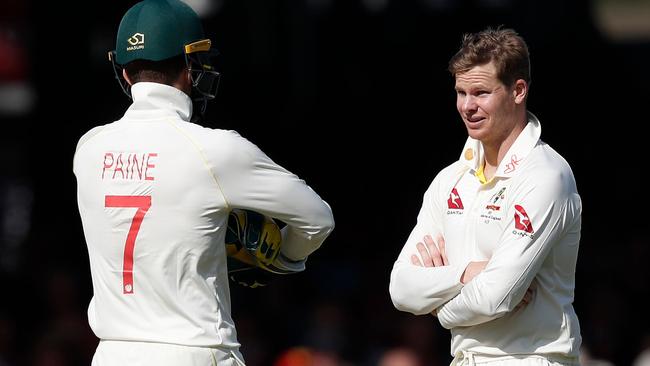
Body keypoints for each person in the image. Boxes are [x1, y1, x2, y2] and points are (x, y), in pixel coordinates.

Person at [73, 1, 335, 365]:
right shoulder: (215, 150)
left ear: (126, 73)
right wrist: (279, 258)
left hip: (111, 353)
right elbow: (318, 219)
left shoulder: (87, 150)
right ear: (190, 66)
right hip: (195, 351)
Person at [389, 27, 582, 366]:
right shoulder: (450, 179)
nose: (467, 106)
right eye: (461, 92)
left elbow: (497, 297)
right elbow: (401, 287)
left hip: (531, 357)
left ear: (518, 90)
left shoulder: (546, 175)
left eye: (480, 92)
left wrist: (437, 310)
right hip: (464, 357)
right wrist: (467, 273)